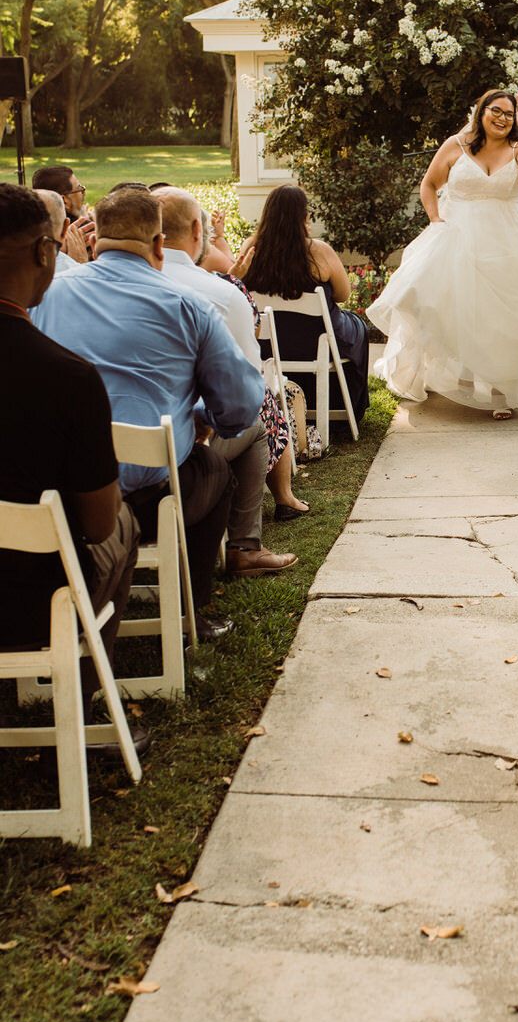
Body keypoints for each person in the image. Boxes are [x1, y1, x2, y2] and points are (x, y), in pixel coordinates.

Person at [33, 188, 296, 632]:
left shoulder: (45, 298)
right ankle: (191, 611)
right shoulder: (190, 306)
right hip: (148, 497)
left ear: (94, 242)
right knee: (215, 473)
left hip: (57, 494)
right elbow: (238, 408)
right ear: (158, 245)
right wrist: (199, 417)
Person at [0, 184, 140, 733]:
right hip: (33, 601)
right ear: (44, 252)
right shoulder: (71, 379)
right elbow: (98, 522)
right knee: (121, 525)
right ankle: (82, 706)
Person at [369, 89, 518, 418]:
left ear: (516, 119)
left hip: (508, 244)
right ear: (481, 111)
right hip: (459, 239)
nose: (502, 118)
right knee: (456, 308)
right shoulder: (457, 144)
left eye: (509, 114)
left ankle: (501, 391)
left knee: (506, 319)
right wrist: (436, 219)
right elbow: (429, 184)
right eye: (495, 111)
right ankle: (461, 377)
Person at [158, 188, 308, 521]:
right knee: (259, 414)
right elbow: (246, 384)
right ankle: (247, 541)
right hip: (184, 446)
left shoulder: (80, 290)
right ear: (198, 232)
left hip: (99, 457)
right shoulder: (220, 294)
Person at [235, 184, 370, 426]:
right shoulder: (318, 251)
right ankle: (344, 407)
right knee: (358, 327)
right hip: (314, 344)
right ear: (303, 216)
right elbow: (343, 294)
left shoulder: (251, 247)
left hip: (268, 347)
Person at [32, 162, 93, 262]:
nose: (83, 193)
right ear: (64, 201)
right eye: (80, 189)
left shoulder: (30, 234)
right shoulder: (87, 234)